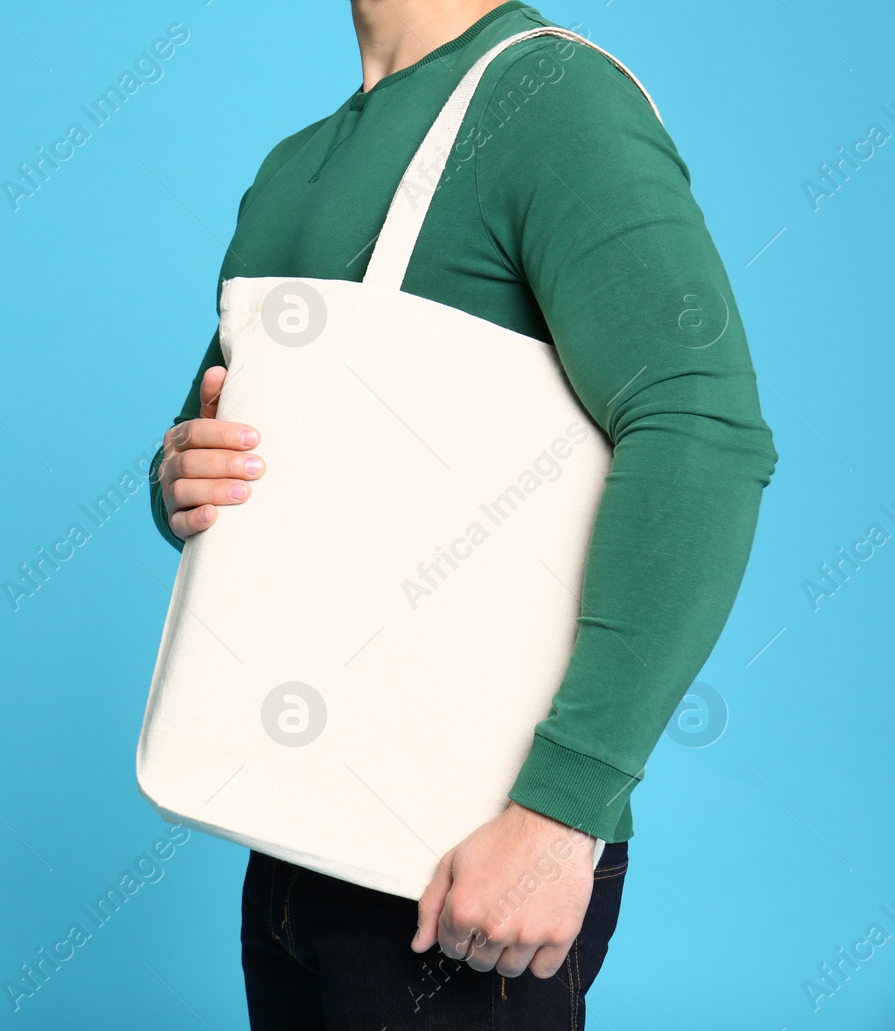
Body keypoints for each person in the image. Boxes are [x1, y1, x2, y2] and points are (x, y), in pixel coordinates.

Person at [146, 1, 777, 1026]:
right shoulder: (292, 163)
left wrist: (560, 813)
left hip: (468, 848)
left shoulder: (552, 99)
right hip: (289, 822)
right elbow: (206, 436)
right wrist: (176, 472)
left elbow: (702, 432)